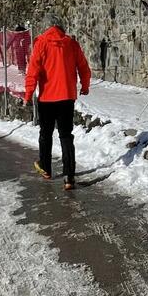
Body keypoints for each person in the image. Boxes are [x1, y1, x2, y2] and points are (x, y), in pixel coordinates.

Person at [24, 15, 91, 191]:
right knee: (66, 136)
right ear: (62, 27)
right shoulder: (71, 43)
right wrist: (85, 86)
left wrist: (28, 93)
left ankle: (46, 167)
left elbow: (33, 71)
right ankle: (69, 176)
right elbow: (84, 67)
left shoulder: (41, 43)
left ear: (47, 27)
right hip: (67, 97)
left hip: (47, 98)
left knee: (45, 133)